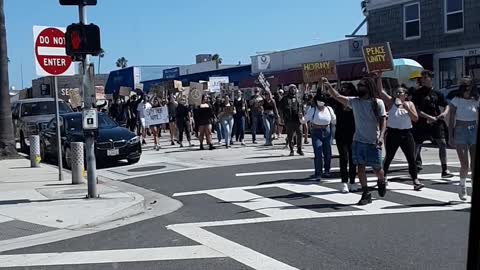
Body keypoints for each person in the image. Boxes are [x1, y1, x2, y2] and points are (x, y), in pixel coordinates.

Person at [325, 77, 387, 205]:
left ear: (368, 87)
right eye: (358, 86)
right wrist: (328, 86)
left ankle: (381, 180)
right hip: (358, 141)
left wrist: (381, 136)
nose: (359, 88)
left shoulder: (377, 103)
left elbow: (383, 120)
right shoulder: (354, 102)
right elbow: (337, 96)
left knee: (377, 169)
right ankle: (365, 193)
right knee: (360, 168)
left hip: (373, 141)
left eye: (362, 86)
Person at [378, 84, 425, 191]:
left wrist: (407, 108)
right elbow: (381, 91)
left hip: (406, 133)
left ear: (406, 95)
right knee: (389, 156)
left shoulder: (409, 104)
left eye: (401, 92)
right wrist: (379, 77)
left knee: (411, 158)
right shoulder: (391, 102)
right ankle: (383, 177)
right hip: (393, 133)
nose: (398, 94)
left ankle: (415, 180)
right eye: (397, 92)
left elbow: (415, 119)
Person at [411, 70, 454, 178]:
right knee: (417, 145)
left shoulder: (437, 93)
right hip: (421, 122)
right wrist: (428, 117)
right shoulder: (417, 93)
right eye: (422, 78)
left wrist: (444, 113)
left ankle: (444, 169)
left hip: (436, 122)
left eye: (425, 78)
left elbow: (446, 105)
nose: (423, 80)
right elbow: (416, 109)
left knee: (442, 143)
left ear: (430, 78)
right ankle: (413, 167)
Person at [448, 77, 479, 201]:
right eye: (465, 86)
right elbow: (451, 120)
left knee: (474, 164)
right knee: (464, 164)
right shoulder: (456, 100)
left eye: (469, 86)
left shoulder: (476, 100)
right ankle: (462, 186)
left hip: (474, 130)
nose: (467, 89)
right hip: (460, 131)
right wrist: (450, 136)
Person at [332, 83, 358, 193]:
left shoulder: (356, 101)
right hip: (341, 133)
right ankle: (344, 182)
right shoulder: (337, 102)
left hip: (354, 133)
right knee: (344, 158)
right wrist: (325, 86)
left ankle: (352, 181)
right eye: (343, 89)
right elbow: (323, 97)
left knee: (353, 159)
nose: (345, 90)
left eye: (347, 88)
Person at [305, 95, 336, 181]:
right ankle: (318, 173)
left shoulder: (329, 109)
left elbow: (334, 119)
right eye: (319, 100)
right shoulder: (313, 109)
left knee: (328, 152)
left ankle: (327, 170)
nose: (320, 102)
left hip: (327, 130)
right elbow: (305, 119)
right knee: (318, 153)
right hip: (316, 131)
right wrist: (301, 118)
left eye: (322, 100)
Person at [280, 85, 304, 155]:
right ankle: (291, 150)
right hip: (289, 120)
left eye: (294, 88)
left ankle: (299, 149)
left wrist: (302, 115)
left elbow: (302, 107)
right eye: (291, 88)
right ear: (289, 90)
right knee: (290, 135)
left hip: (297, 119)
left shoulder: (299, 98)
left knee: (300, 133)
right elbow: (281, 109)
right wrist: (281, 118)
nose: (293, 90)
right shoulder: (284, 98)